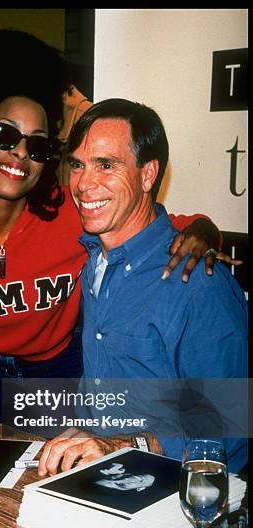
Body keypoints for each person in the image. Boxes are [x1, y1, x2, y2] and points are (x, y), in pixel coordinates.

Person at [0, 35, 232, 424]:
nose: (19, 153)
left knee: (49, 470)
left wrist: (203, 228)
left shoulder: (73, 213)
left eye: (38, 147)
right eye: (5, 135)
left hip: (53, 373)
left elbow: (152, 222)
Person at [38, 98, 247, 477]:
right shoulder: (92, 260)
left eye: (106, 165)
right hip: (95, 475)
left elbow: (227, 432)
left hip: (180, 494)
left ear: (148, 175)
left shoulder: (197, 280)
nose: (84, 184)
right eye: (77, 165)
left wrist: (120, 446)